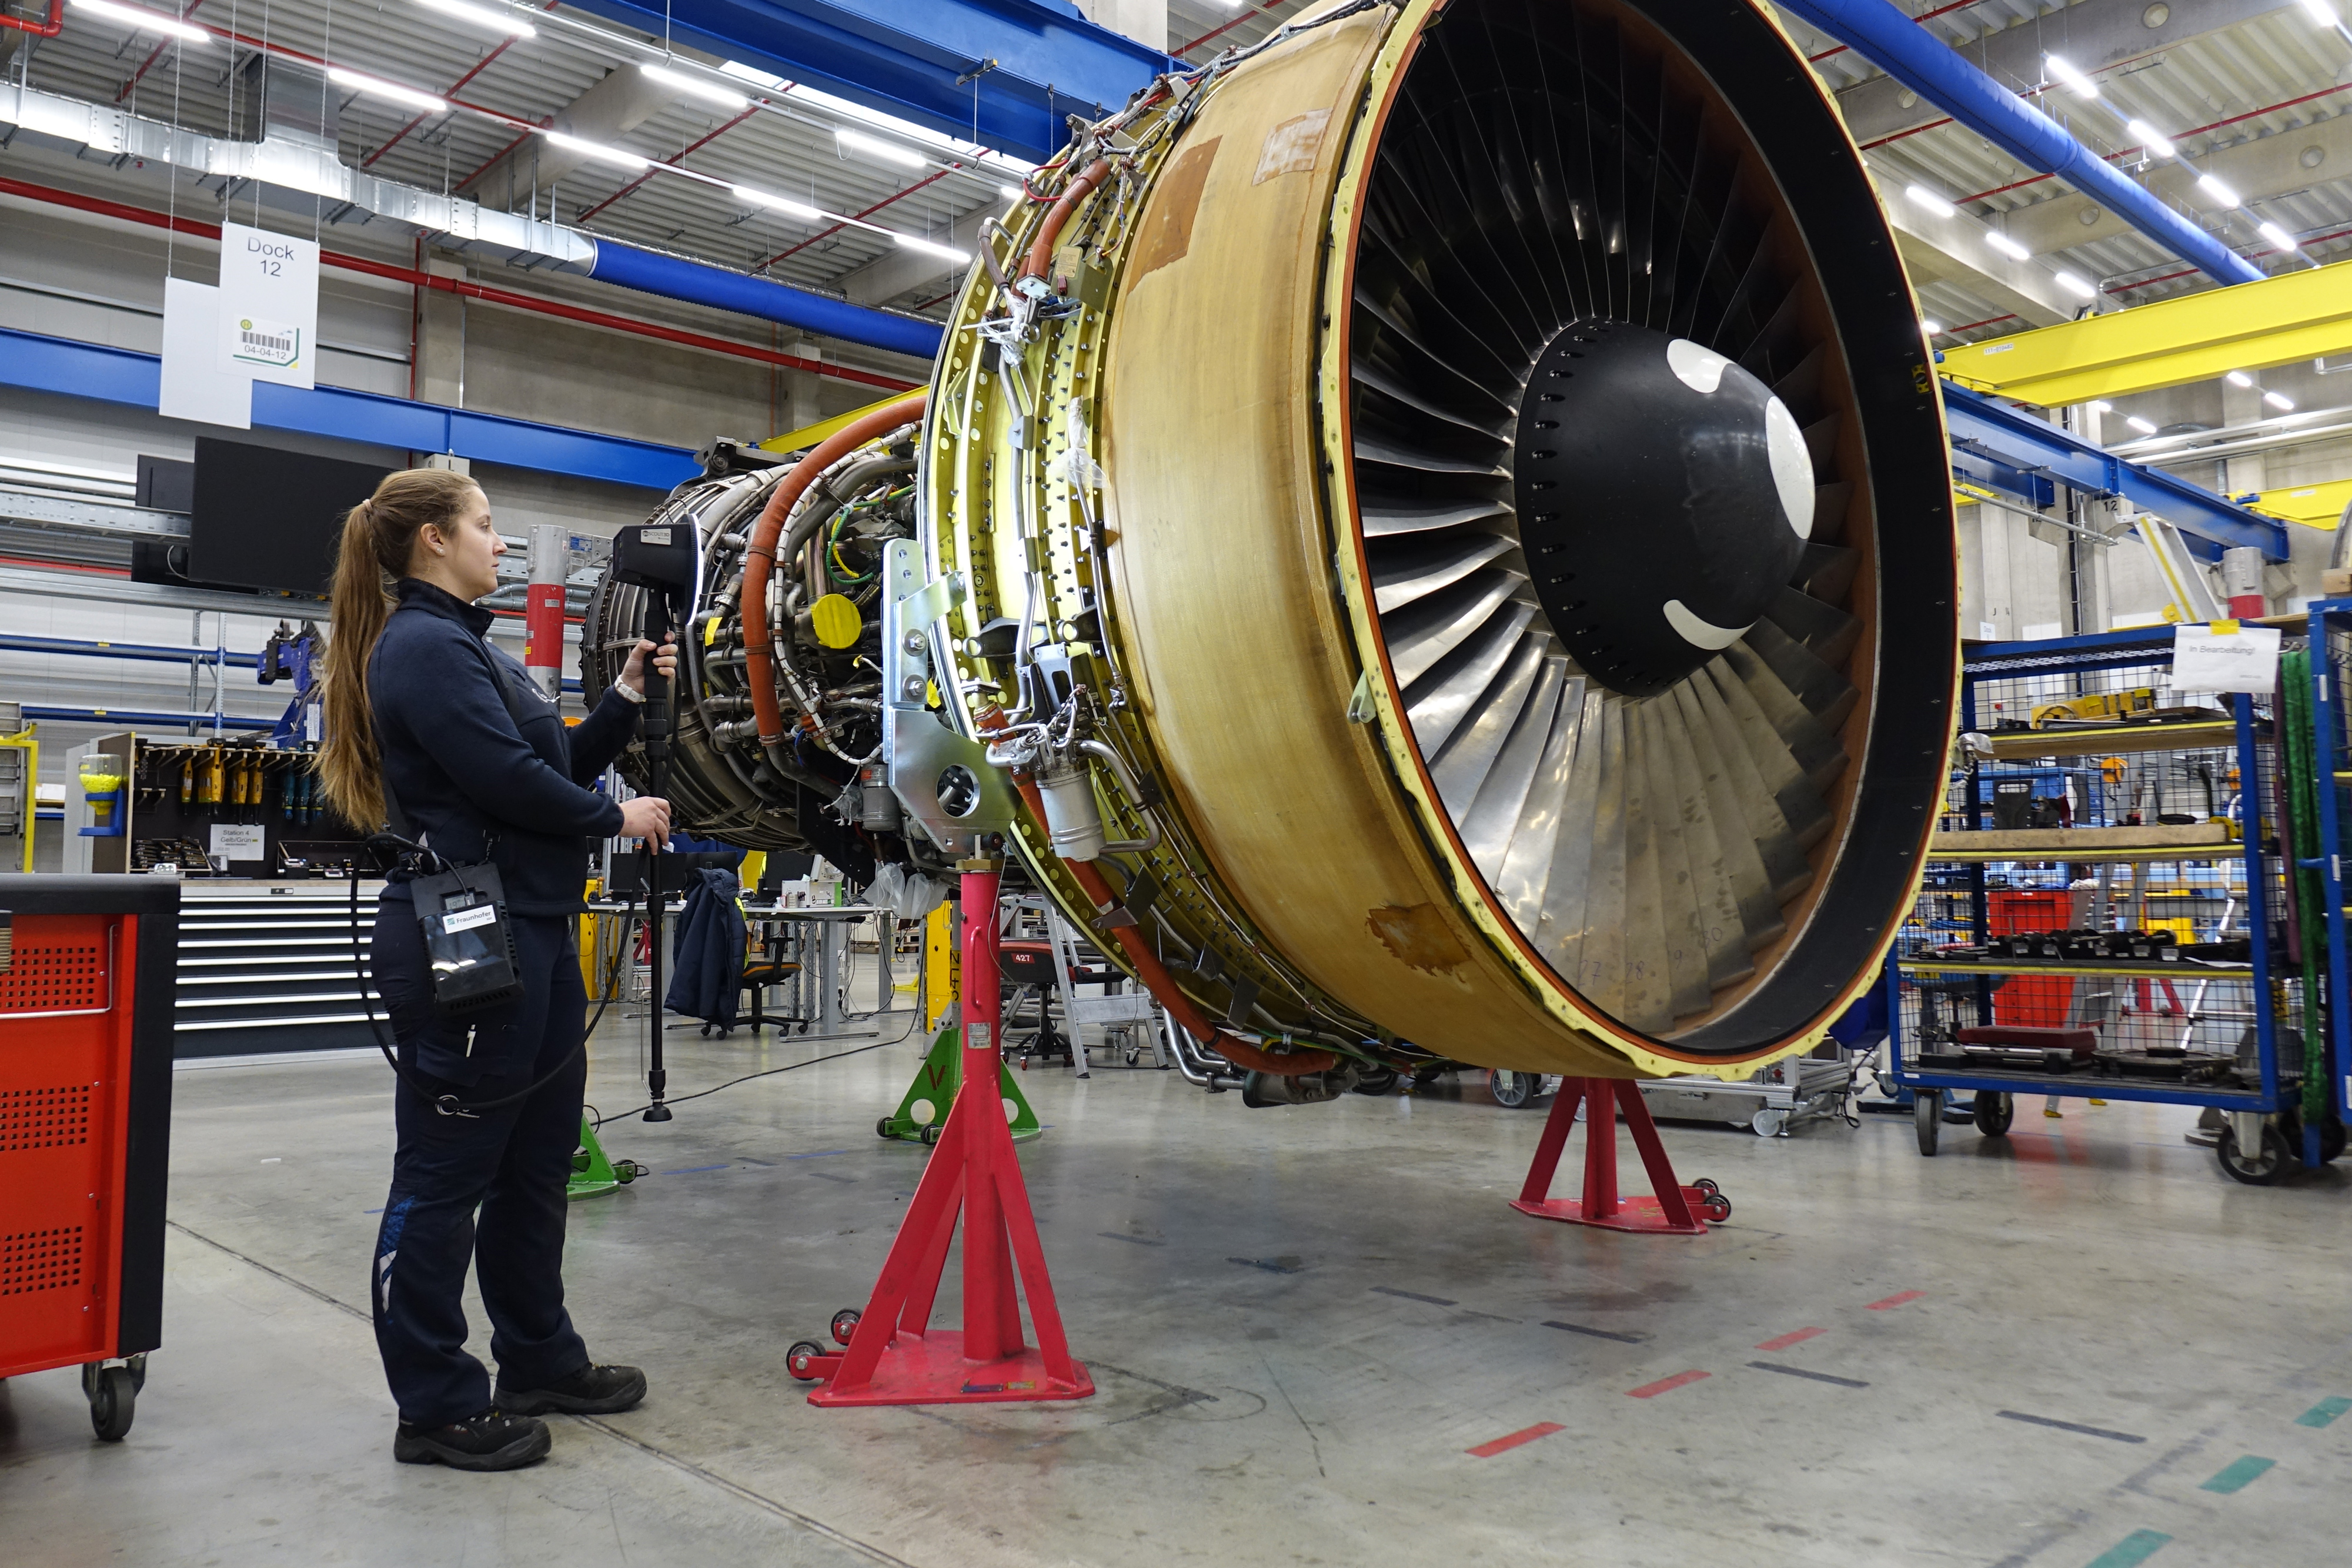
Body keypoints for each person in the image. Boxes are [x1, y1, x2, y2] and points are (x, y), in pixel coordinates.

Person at [316, 467, 675, 1472]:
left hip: (536, 926)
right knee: (445, 1175)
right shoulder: (423, 648)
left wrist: (620, 702)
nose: (498, 542)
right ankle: (433, 1404)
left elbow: (547, 759)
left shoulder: (472, 647)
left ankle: (538, 1357)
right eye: (484, 525)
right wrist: (620, 815)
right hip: (467, 931)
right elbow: (506, 784)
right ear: (433, 540)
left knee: (534, 1167)